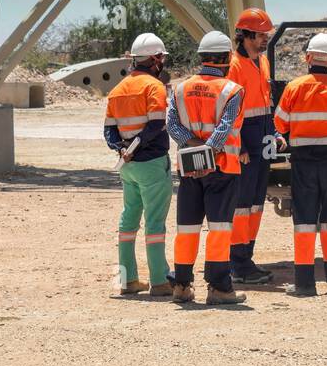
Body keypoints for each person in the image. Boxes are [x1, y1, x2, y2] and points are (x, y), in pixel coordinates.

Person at [273, 32, 327, 297]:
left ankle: (304, 284)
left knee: (304, 222)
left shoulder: (294, 87)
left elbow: (280, 124)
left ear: (308, 57)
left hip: (304, 164)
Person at [165, 31, 248, 305]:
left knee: (187, 228)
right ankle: (219, 288)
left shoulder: (179, 89)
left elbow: (173, 126)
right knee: (220, 228)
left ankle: (181, 286)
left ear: (201, 58)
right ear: (226, 58)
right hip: (222, 169)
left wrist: (194, 151)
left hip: (189, 170)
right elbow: (224, 129)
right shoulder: (232, 90)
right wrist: (207, 156)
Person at [104, 33, 172, 295]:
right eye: (161, 58)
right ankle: (159, 281)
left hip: (127, 166)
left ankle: (129, 279)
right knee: (155, 223)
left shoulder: (117, 90)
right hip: (152, 163)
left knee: (129, 219)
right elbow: (156, 124)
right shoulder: (154, 87)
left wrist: (123, 148)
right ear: (155, 59)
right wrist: (138, 144)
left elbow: (109, 132)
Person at [226, 8, 277, 284]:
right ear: (245, 36)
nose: (265, 39)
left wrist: (275, 133)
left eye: (266, 34)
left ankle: (247, 257)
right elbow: (231, 110)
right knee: (242, 204)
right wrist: (240, 146)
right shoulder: (234, 66)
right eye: (260, 35)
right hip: (246, 139)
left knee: (256, 203)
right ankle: (237, 262)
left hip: (264, 136)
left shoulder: (263, 62)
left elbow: (265, 103)